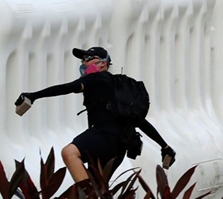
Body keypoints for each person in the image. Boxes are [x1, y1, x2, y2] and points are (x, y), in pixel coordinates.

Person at [14, 47, 175, 184]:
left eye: (88, 58)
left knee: (69, 153)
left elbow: (68, 87)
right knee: (99, 189)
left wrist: (33, 95)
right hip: (120, 144)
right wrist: (165, 146)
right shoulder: (114, 87)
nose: (83, 62)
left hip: (104, 135)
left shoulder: (97, 78)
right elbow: (138, 120)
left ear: (103, 63)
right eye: (82, 59)